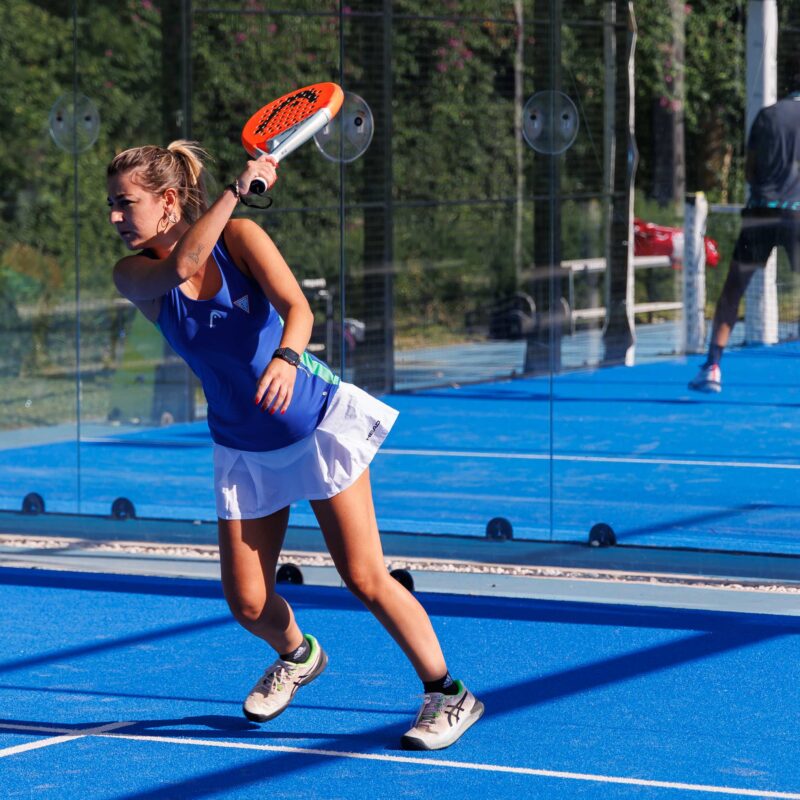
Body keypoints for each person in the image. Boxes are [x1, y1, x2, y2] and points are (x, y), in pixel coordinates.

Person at [106, 140, 483, 751]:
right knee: (248, 603)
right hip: (241, 446)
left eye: (127, 204)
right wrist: (236, 186)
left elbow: (297, 309)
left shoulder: (243, 241)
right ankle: (299, 654)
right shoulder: (135, 275)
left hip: (313, 425)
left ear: (168, 201)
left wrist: (286, 356)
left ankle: (449, 693)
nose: (116, 218)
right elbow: (180, 265)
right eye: (112, 206)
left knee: (363, 576)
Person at [689, 63, 800, 393]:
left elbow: (751, 171)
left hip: (761, 214)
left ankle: (712, 367)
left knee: (732, 290)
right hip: (797, 216)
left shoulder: (767, 116)